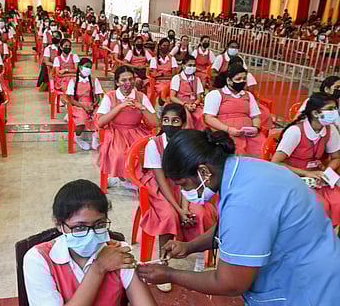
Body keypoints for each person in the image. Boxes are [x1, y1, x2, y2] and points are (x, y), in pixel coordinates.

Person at [136, 129, 340, 305]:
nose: (183, 192)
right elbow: (229, 230)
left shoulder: (246, 201)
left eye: (183, 185)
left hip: (306, 286)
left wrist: (171, 275)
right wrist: (190, 246)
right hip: (317, 262)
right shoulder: (243, 169)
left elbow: (230, 283)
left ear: (203, 172)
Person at [23, 179, 157, 306]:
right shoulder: (38, 259)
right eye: (79, 227)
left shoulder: (118, 253)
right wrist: (98, 268)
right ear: (59, 224)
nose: (91, 235)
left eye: (99, 224)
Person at [142, 104, 216, 292]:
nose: (170, 125)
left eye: (175, 121)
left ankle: (200, 261)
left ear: (183, 124)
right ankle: (163, 263)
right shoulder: (154, 144)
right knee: (168, 216)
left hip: (185, 185)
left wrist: (186, 207)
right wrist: (179, 210)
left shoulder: (188, 145)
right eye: (166, 120)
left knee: (199, 212)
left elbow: (187, 178)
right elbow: (161, 180)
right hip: (161, 188)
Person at [272, 93, 340, 226]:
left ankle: (330, 237)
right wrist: (307, 173)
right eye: (330, 109)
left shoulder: (330, 130)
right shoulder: (295, 131)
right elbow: (276, 162)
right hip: (293, 175)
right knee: (321, 206)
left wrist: (327, 171)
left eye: (335, 108)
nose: (335, 112)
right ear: (315, 113)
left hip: (317, 176)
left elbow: (336, 157)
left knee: (338, 202)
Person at [97, 66, 157, 189]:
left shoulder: (141, 96)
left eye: (131, 79)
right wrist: (120, 106)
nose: (128, 83)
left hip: (136, 130)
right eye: (124, 80)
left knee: (146, 151)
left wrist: (142, 108)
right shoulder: (110, 96)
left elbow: (156, 123)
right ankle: (123, 178)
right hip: (116, 131)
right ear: (117, 82)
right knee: (119, 154)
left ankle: (135, 178)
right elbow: (100, 122)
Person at [204, 64, 265, 156]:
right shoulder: (216, 94)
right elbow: (209, 118)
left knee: (261, 151)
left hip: (248, 135)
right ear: (229, 80)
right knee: (237, 154)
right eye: (238, 79)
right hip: (226, 133)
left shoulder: (248, 95)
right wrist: (228, 129)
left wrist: (256, 128)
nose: (242, 81)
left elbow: (255, 116)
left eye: (244, 79)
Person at [66, 58, 103, 151]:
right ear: (80, 67)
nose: (89, 69)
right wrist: (84, 106)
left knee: (100, 118)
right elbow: (70, 99)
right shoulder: (73, 81)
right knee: (82, 120)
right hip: (78, 105)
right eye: (86, 67)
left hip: (92, 105)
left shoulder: (94, 80)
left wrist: (93, 105)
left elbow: (98, 97)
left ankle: (95, 136)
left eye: (90, 67)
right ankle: (77, 137)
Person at [169, 55, 205, 130]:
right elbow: (172, 97)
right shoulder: (177, 78)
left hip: (193, 105)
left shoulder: (197, 79)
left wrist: (195, 104)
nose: (192, 67)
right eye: (189, 65)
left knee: (202, 116)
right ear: (183, 66)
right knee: (187, 118)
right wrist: (185, 105)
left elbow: (199, 97)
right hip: (180, 104)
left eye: (194, 65)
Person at [149, 38, 179, 106]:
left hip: (171, 82)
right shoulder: (154, 59)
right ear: (159, 47)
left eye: (168, 46)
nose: (166, 47)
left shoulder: (172, 59)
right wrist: (163, 76)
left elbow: (174, 75)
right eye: (164, 45)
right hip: (159, 83)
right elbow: (154, 75)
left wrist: (162, 75)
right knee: (163, 91)